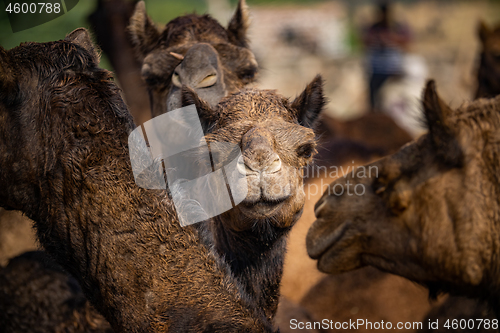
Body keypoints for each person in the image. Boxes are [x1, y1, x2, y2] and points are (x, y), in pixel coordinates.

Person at [363, 2, 411, 111]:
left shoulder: (396, 27)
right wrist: (377, 39)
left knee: (393, 102)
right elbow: (365, 41)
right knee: (374, 102)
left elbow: (407, 41)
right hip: (377, 71)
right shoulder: (374, 28)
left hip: (393, 71)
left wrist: (391, 39)